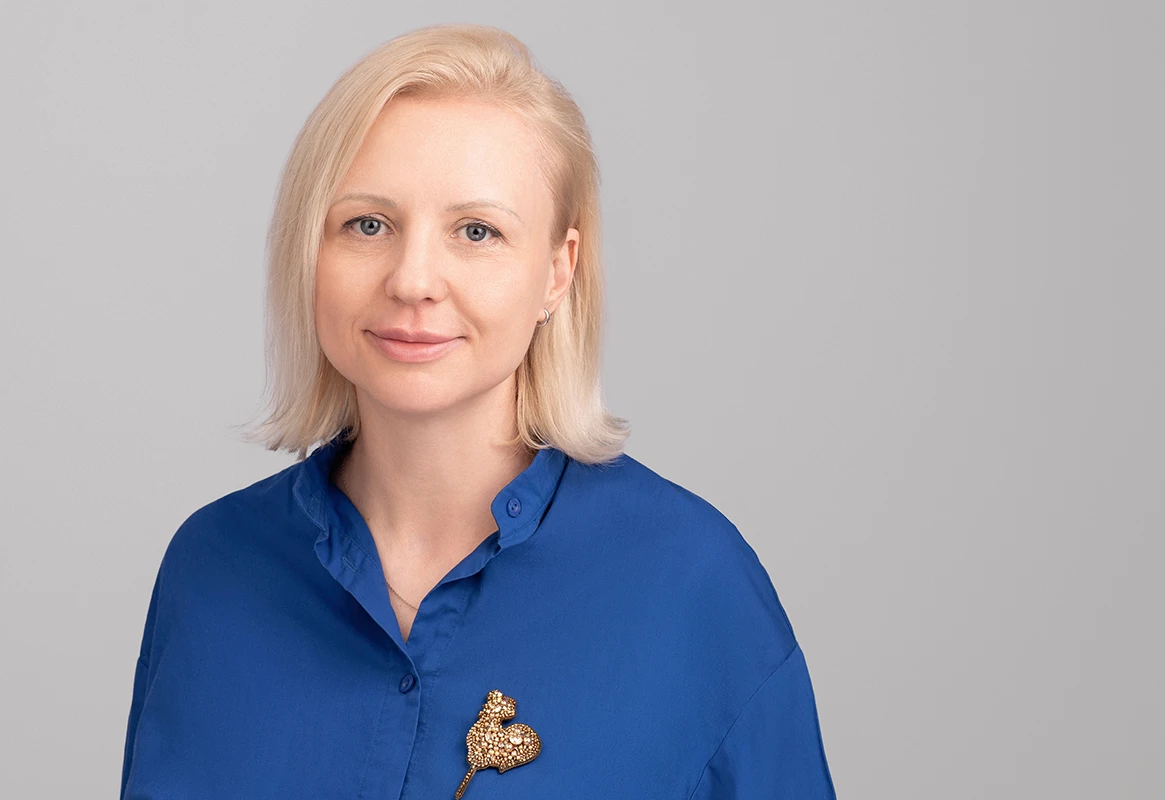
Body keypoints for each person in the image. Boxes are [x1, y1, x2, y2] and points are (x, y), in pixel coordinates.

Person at [119, 23, 836, 800]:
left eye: (476, 231)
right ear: (309, 252)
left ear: (557, 272)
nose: (413, 280)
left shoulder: (692, 587)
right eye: (368, 224)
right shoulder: (212, 570)